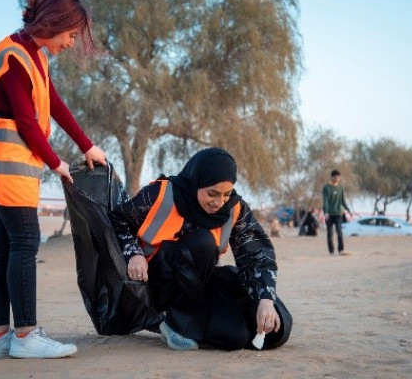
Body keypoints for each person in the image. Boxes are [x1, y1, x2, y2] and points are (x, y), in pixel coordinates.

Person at [0, 0, 106, 359]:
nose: (73, 43)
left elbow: (53, 103)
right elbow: (28, 124)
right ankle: (26, 335)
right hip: (8, 169)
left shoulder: (30, 54)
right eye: (72, 34)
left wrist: (86, 144)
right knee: (25, 245)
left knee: (2, 248)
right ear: (56, 22)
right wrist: (58, 164)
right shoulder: (16, 58)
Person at [109, 148, 291, 351]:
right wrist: (133, 253)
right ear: (196, 181)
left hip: (199, 282)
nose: (219, 203)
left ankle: (192, 325)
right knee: (202, 242)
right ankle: (177, 324)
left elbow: (255, 253)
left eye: (226, 194)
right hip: (157, 282)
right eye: (212, 193)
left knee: (244, 336)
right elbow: (118, 221)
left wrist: (265, 300)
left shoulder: (234, 208)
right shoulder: (159, 194)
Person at [322, 169, 352, 255]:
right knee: (330, 233)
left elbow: (343, 201)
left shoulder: (340, 188)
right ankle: (331, 251)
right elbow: (325, 201)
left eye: (338, 177)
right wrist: (326, 212)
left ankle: (341, 249)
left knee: (339, 232)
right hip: (329, 214)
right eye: (335, 177)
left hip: (338, 213)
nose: (337, 178)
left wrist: (348, 210)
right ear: (332, 177)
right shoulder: (326, 188)